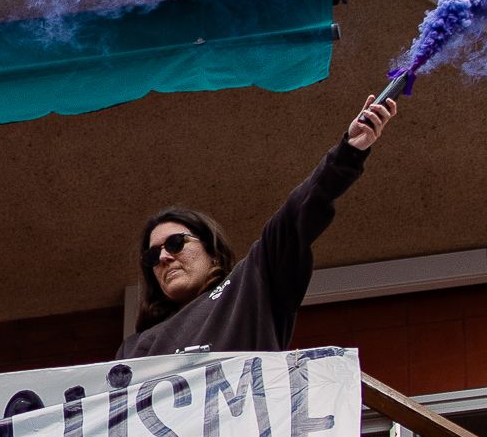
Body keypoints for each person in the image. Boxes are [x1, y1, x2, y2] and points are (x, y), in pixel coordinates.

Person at [124, 95, 397, 356]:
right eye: (152, 256)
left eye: (175, 243)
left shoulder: (250, 286)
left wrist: (348, 152)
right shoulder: (136, 348)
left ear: (212, 251)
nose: (163, 257)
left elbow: (293, 218)